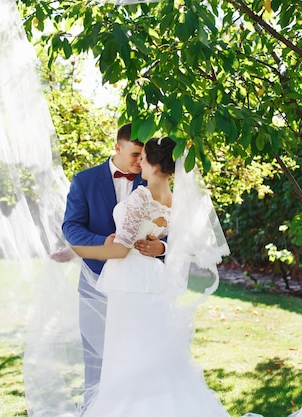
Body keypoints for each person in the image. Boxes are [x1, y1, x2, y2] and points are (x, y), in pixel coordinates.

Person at [70, 136, 236, 417]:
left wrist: (74, 251)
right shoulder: (174, 199)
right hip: (153, 281)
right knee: (150, 351)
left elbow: (121, 249)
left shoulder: (141, 197)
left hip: (129, 283)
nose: (139, 162)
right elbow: (182, 239)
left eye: (143, 158)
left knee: (124, 354)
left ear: (155, 164)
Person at [60, 123, 166, 403]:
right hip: (95, 278)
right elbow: (70, 226)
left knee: (137, 354)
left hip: (138, 287)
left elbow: (174, 228)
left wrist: (162, 246)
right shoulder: (84, 180)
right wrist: (100, 242)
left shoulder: (152, 179)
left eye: (143, 155)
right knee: (95, 354)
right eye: (134, 154)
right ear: (117, 147)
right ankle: (93, 409)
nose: (139, 161)